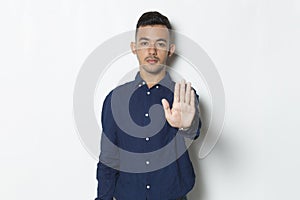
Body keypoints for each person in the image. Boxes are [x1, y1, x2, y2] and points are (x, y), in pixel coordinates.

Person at [96, 11, 201, 200]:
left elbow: (193, 130)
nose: (152, 51)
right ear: (134, 47)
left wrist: (186, 125)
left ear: (170, 49)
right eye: (145, 43)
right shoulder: (115, 99)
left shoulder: (184, 97)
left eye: (160, 44)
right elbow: (108, 161)